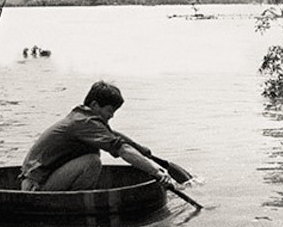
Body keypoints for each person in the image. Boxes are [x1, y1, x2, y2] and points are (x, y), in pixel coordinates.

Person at [19, 81, 173, 191]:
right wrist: (157, 173)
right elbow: (122, 149)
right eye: (109, 110)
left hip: (41, 180)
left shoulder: (83, 118)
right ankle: (76, 204)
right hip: (35, 187)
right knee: (92, 161)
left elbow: (115, 137)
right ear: (94, 106)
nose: (111, 116)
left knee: (92, 156)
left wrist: (144, 152)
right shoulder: (84, 122)